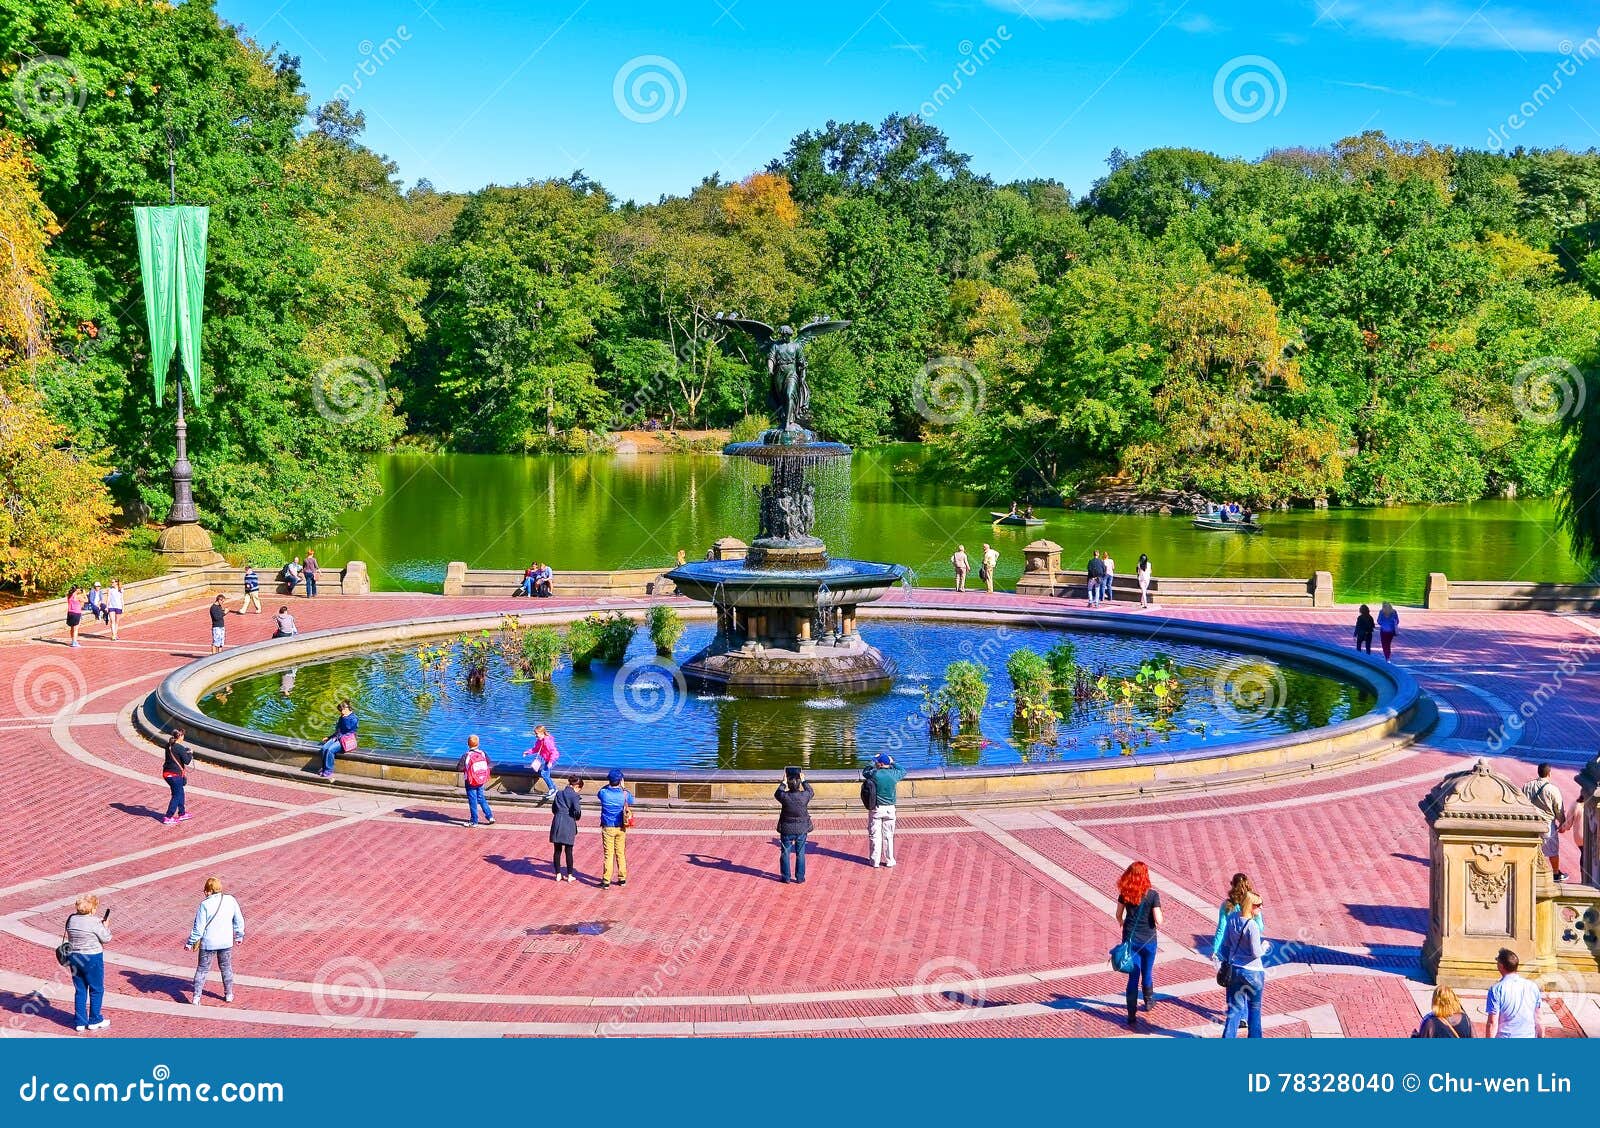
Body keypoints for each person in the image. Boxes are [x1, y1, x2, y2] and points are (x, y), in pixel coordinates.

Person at [1211, 872, 1263, 1033]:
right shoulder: (1252, 911)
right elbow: (1259, 932)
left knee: (1233, 1002)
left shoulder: (1228, 908)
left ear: (1232, 885)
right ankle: (1245, 1019)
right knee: (1255, 1010)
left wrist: (1217, 951)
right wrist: (1264, 947)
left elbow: (1222, 931)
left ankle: (1234, 1027)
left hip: (1235, 963)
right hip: (1253, 969)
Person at [1114, 861, 1163, 1029]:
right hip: (1149, 940)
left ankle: (1131, 1014)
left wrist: (1123, 923)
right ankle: (1149, 1001)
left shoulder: (1125, 893)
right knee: (1147, 972)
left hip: (1130, 940)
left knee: (1133, 977)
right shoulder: (1153, 895)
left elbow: (1118, 915)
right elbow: (1159, 920)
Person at [186, 876, 245, 1005]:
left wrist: (190, 943)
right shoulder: (231, 900)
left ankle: (196, 997)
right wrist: (239, 935)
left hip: (208, 943)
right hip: (225, 942)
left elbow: (198, 928)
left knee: (202, 969)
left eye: (206, 890)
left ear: (210, 890)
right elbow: (238, 919)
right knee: (226, 968)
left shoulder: (205, 905)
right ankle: (229, 994)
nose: (205, 893)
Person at [1220, 890, 1266, 1037]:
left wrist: (1228, 961)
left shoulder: (1232, 918)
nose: (1261, 908)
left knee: (1234, 1009)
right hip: (1253, 972)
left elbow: (1225, 945)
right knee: (1255, 1008)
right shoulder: (1252, 926)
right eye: (1258, 905)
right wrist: (1265, 946)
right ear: (1250, 906)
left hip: (1235, 970)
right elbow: (1256, 953)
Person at [64, 894, 112, 1031]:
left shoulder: (71, 919)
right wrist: (106, 926)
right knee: (96, 989)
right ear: (92, 909)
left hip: (74, 957)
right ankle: (95, 1019)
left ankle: (80, 1022)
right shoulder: (94, 922)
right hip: (92, 957)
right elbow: (106, 938)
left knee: (80, 990)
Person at [1523, 764, 1569, 882]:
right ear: (1549, 773)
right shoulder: (1553, 789)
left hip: (1530, 824)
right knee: (1552, 851)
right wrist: (1562, 822)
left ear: (1538, 772)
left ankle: (1528, 872)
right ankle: (1555, 873)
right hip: (1547, 824)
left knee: (1531, 848)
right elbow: (1558, 808)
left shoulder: (1526, 786)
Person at [1485, 947, 1542, 1038]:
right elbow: (1538, 1019)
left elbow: (1492, 1023)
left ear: (1501, 965)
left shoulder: (1496, 990)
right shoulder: (1533, 986)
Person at [775, 767, 814, 884]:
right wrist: (804, 781)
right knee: (800, 853)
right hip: (802, 829)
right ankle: (800, 877)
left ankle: (786, 877)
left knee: (785, 853)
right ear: (799, 785)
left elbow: (777, 793)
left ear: (789, 785)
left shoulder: (784, 796)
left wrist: (783, 782)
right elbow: (811, 792)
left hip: (786, 829)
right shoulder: (805, 796)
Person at [597, 769, 635, 889]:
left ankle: (606, 880)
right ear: (620, 780)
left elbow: (599, 792)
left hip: (608, 826)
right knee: (620, 853)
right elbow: (632, 800)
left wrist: (610, 784)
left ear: (609, 780)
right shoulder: (624, 794)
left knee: (608, 854)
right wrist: (623, 788)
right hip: (621, 827)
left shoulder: (604, 793)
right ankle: (622, 878)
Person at [868, 753, 905, 868]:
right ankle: (889, 860)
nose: (875, 763)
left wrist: (871, 764)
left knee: (875, 835)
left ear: (881, 764)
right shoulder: (894, 774)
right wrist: (892, 762)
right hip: (890, 808)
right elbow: (903, 771)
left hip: (877, 809)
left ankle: (875, 861)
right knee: (888, 835)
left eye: (876, 761)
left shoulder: (875, 774)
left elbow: (865, 771)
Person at [549, 775, 583, 882]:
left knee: (557, 850)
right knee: (569, 851)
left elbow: (554, 808)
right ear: (576, 786)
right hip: (568, 822)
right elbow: (577, 810)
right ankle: (569, 875)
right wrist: (576, 817)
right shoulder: (574, 796)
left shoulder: (559, 793)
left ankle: (558, 874)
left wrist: (559, 814)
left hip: (558, 821)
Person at [460, 735, 495, 826]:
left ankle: (474, 821)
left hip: (470, 781)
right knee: (481, 798)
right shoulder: (483, 753)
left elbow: (459, 767)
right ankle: (490, 816)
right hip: (481, 780)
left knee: (473, 800)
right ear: (478, 743)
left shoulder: (466, 755)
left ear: (468, 744)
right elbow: (488, 761)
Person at [161, 728, 193, 825]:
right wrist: (190, 753)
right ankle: (168, 817)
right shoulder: (180, 748)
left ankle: (182, 813)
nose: (184, 737)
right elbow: (187, 761)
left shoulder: (168, 745)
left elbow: (177, 752)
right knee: (176, 795)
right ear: (180, 736)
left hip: (167, 773)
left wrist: (185, 750)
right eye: (183, 735)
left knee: (180, 793)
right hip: (175, 775)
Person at [318, 699, 357, 778]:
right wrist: (329, 737)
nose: (340, 712)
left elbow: (348, 728)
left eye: (341, 710)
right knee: (324, 748)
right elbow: (338, 730)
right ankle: (324, 767)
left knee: (330, 750)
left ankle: (329, 770)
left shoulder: (354, 718)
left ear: (346, 709)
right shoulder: (342, 717)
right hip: (337, 737)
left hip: (346, 739)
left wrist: (345, 718)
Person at [525, 723, 559, 801]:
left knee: (544, 773)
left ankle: (552, 789)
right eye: (535, 734)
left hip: (551, 759)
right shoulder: (539, 741)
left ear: (542, 732)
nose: (536, 735)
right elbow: (535, 749)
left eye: (537, 734)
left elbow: (554, 752)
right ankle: (554, 789)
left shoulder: (547, 741)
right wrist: (527, 752)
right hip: (547, 759)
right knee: (546, 774)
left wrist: (550, 761)